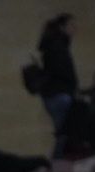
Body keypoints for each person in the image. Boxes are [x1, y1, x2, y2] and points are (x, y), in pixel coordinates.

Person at [37, 15, 78, 158]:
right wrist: (73, 88)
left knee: (64, 132)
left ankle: (58, 161)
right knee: (65, 132)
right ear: (62, 27)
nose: (74, 29)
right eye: (71, 25)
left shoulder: (53, 44)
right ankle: (57, 162)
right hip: (60, 94)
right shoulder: (58, 45)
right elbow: (64, 70)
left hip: (54, 94)